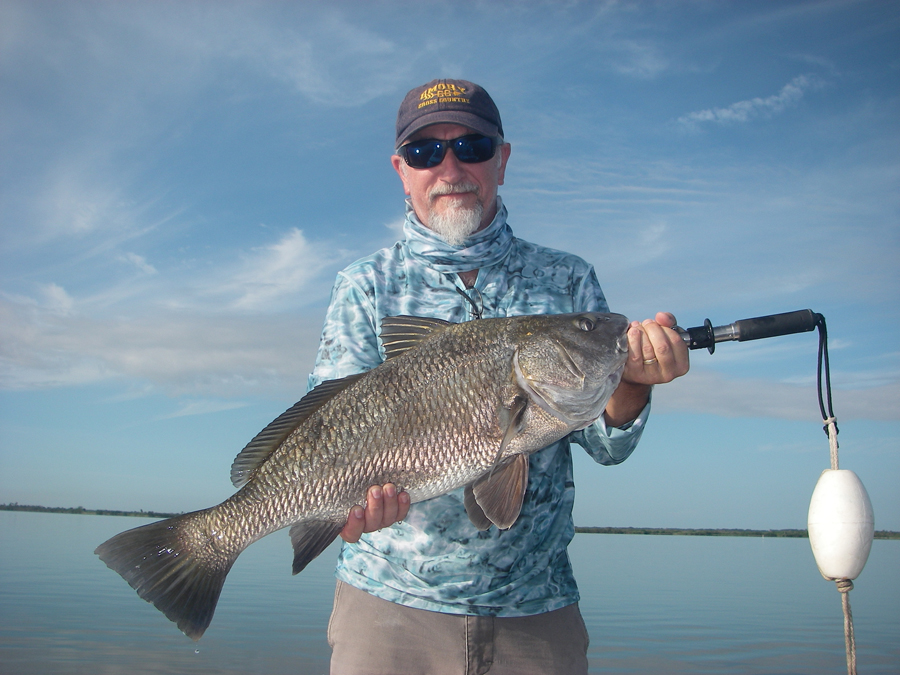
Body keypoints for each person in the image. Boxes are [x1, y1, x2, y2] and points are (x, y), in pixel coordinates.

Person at [308, 79, 690, 675]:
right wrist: (339, 510)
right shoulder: (365, 284)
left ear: (502, 160)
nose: (450, 166)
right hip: (387, 610)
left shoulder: (567, 279)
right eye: (425, 153)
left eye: (472, 146)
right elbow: (323, 425)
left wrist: (633, 385)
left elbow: (602, 443)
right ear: (401, 170)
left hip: (536, 613)